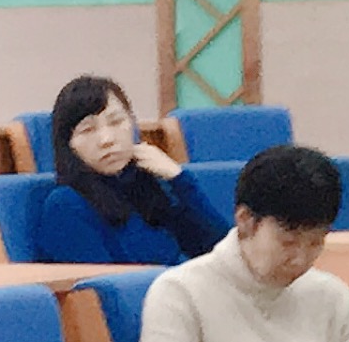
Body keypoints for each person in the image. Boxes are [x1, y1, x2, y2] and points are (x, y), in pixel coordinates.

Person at [137, 146, 349, 342]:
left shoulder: (333, 296)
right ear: (246, 220)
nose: (301, 259)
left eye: (316, 243)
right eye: (288, 242)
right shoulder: (180, 291)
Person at [33, 75, 223, 265]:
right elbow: (102, 281)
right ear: (69, 145)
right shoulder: (65, 205)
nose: (107, 139)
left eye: (116, 122)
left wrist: (179, 179)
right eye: (88, 130)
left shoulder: (151, 183)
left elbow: (222, 254)